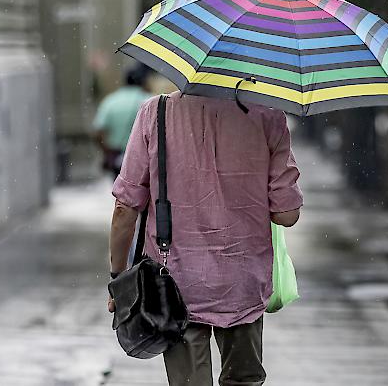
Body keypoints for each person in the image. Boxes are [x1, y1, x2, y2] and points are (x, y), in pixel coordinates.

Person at [107, 91, 303, 386]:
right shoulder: (269, 116)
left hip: (175, 288)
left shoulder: (156, 112)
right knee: (243, 380)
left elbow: (125, 207)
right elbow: (287, 215)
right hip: (243, 284)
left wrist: (117, 276)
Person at [93, 64, 152, 179]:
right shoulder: (150, 100)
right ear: (143, 81)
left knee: (120, 193)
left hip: (117, 158)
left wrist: (107, 152)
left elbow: (98, 131)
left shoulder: (110, 101)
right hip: (143, 159)